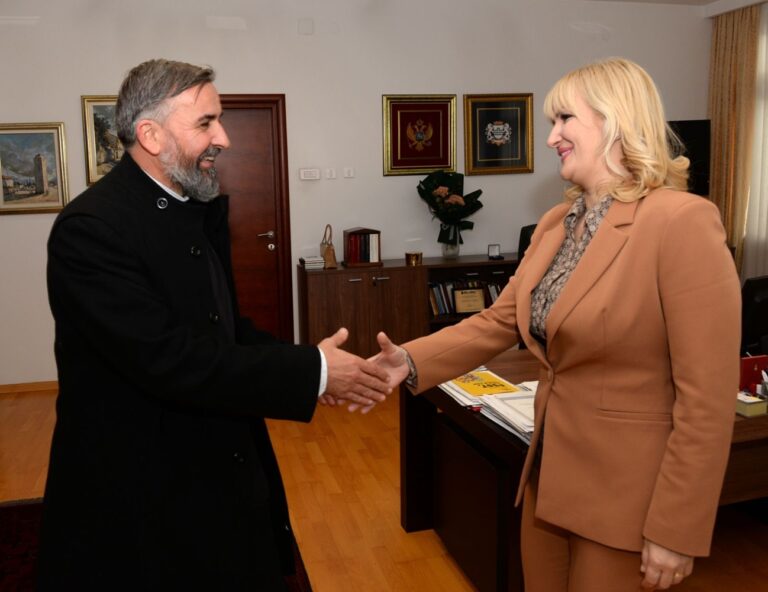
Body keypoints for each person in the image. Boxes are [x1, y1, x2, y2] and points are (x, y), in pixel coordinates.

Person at [367, 57, 741, 591]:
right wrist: (407, 361)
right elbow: (499, 321)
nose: (551, 137)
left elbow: (707, 398)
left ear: (615, 119)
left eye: (564, 119)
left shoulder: (680, 221)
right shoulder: (556, 223)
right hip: (547, 477)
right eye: (552, 122)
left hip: (626, 495)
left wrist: (677, 527)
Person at [39, 59, 392, 591]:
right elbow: (169, 359)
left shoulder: (193, 208)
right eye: (206, 122)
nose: (223, 138)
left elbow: (226, 329)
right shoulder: (91, 229)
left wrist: (315, 367)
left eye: (218, 120)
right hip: (140, 492)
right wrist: (315, 372)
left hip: (213, 461)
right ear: (151, 135)